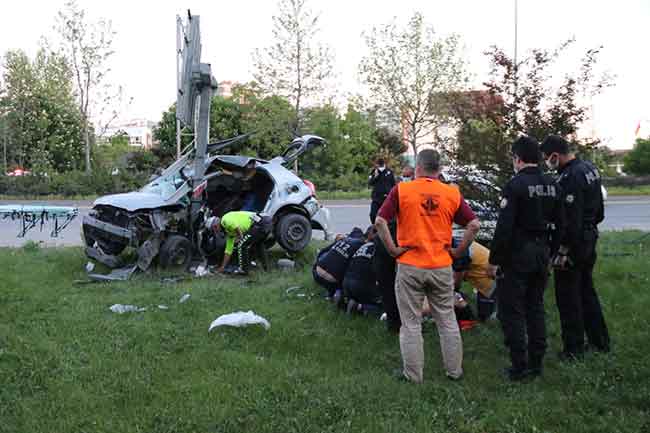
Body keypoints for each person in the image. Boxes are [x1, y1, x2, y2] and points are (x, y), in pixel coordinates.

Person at [375, 149, 481, 383]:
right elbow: (473, 225)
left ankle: (413, 376)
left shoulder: (402, 190)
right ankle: (454, 372)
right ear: (439, 169)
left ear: (418, 169)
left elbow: (380, 221)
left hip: (410, 265)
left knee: (411, 323)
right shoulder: (451, 193)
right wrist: (458, 251)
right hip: (441, 266)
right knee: (447, 320)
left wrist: (393, 250)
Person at [487, 136, 565, 381]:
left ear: (517, 159)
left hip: (518, 254)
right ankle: (537, 362)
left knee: (513, 310)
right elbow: (562, 225)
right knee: (535, 306)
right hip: (542, 252)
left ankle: (519, 365)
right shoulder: (554, 184)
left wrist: (494, 259)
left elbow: (504, 228)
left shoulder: (515, 185)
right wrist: (552, 253)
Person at [541, 135, 610, 360]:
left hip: (574, 244)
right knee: (587, 292)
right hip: (589, 237)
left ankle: (573, 349)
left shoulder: (570, 177)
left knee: (568, 297)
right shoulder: (589, 168)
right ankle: (600, 341)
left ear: (555, 156)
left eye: (547, 158)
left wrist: (562, 250)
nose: (546, 163)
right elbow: (599, 210)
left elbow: (569, 221)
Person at [206, 211, 272, 276]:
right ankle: (266, 269)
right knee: (258, 245)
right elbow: (228, 251)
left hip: (260, 222)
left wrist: (240, 238)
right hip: (265, 222)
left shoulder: (224, 220)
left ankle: (244, 270)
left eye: (213, 230)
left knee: (242, 244)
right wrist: (222, 268)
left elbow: (236, 227)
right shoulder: (229, 232)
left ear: (215, 226)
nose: (215, 232)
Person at [312, 227, 365, 305]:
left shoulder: (343, 240)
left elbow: (322, 251)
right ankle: (339, 294)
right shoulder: (360, 245)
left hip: (317, 272)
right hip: (332, 280)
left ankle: (331, 293)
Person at [451, 237, 497, 321]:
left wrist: (454, 292)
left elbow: (457, 280)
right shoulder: (459, 242)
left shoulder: (459, 251)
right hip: (485, 276)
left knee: (485, 318)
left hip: (490, 280)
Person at [343, 228, 382, 315]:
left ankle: (343, 298)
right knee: (385, 306)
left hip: (346, 282)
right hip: (360, 285)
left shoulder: (363, 246)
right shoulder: (379, 248)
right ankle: (359, 307)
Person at [374, 220, 400, 333]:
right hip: (397, 239)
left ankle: (393, 324)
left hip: (383, 240)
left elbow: (377, 219)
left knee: (386, 288)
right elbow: (379, 221)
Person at [368, 158, 396, 224]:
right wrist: (376, 176)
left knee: (388, 216)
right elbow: (370, 183)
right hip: (376, 197)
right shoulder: (374, 171)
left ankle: (388, 228)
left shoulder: (389, 172)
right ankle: (375, 227)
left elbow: (393, 184)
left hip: (386, 198)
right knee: (373, 214)